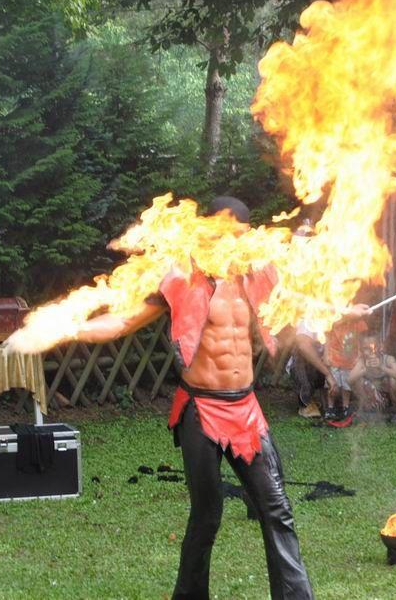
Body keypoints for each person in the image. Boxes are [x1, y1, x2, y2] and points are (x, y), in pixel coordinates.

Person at [70, 196, 315, 599]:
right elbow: (124, 321)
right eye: (225, 234)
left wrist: (343, 309)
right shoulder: (182, 281)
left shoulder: (256, 276)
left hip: (246, 409)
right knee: (207, 516)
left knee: (277, 509)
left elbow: (301, 305)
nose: (232, 243)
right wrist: (71, 328)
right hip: (201, 410)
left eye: (239, 236)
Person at [348, 331, 396, 423]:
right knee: (357, 379)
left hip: (388, 400)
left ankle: (395, 412)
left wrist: (382, 367)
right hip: (370, 400)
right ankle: (366, 410)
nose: (370, 351)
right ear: (361, 349)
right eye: (366, 348)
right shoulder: (361, 361)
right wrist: (364, 370)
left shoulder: (388, 359)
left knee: (394, 380)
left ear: (380, 346)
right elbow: (349, 380)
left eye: (373, 347)